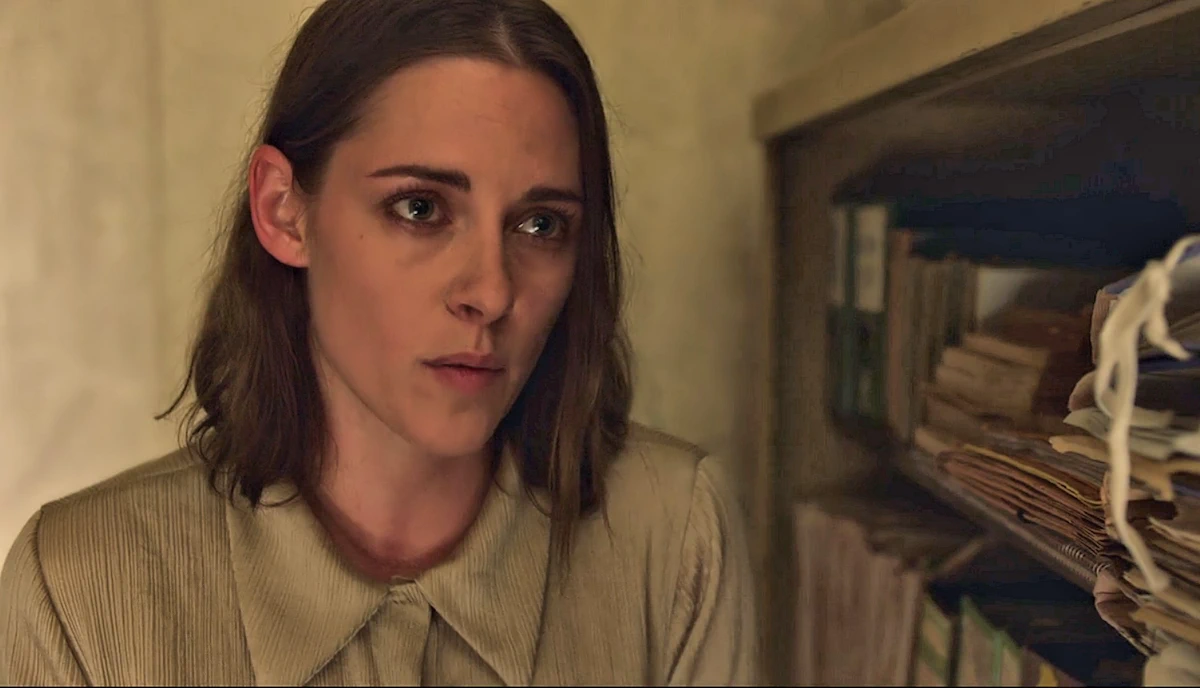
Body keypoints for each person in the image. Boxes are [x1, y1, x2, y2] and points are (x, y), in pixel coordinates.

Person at [0, 0, 758, 684]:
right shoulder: (79, 588)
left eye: (540, 225)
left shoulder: (671, 540)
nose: (491, 292)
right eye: (421, 208)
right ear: (283, 210)